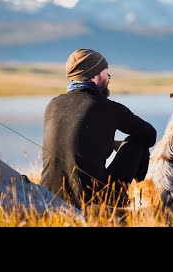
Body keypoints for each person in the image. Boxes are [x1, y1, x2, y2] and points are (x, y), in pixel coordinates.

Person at [39, 48, 157, 208]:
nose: (108, 77)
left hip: (48, 199)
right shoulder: (107, 108)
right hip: (93, 203)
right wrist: (121, 145)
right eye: (105, 72)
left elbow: (74, 139)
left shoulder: (53, 105)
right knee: (137, 141)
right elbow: (150, 135)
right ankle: (140, 200)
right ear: (94, 76)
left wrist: (111, 143)